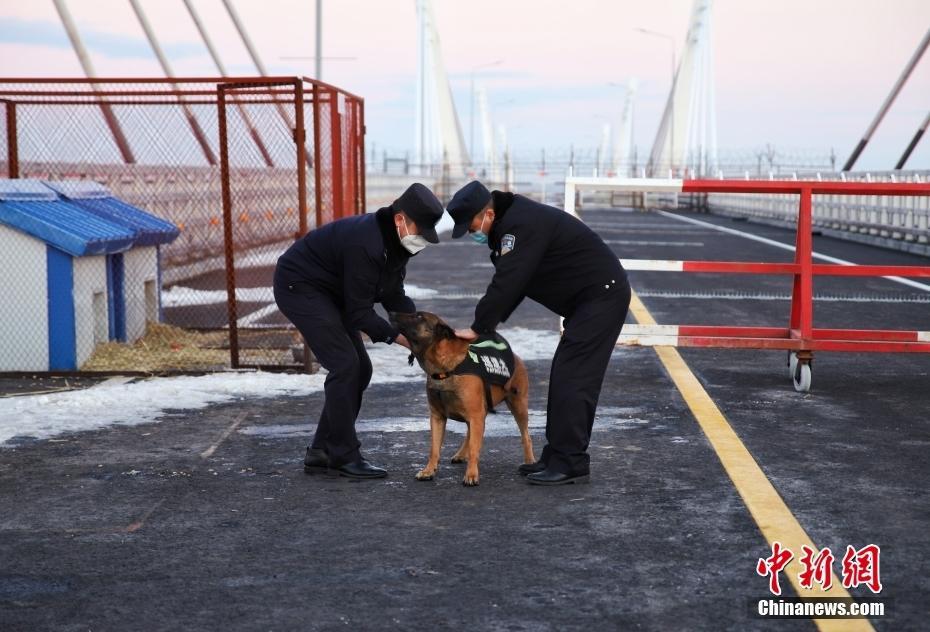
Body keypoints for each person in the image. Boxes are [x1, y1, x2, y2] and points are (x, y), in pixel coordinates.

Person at [446, 181, 631, 486]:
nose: (471, 233)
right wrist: (486, 327)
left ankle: (570, 462)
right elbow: (517, 284)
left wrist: (479, 327)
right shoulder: (512, 222)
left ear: (488, 214)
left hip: (601, 298)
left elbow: (509, 281)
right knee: (563, 374)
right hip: (587, 302)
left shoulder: (519, 226)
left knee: (575, 378)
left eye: (471, 225)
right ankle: (556, 455)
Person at [273, 183, 443, 479]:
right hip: (300, 286)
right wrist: (403, 339)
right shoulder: (366, 244)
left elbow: (393, 294)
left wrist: (417, 326)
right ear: (400, 218)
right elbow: (359, 313)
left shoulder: (397, 244)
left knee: (360, 368)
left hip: (332, 293)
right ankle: (343, 454)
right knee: (345, 365)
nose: (421, 240)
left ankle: (321, 450)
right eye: (420, 229)